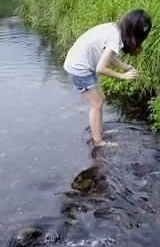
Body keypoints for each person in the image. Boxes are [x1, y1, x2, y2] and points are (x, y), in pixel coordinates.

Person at [64, 9, 152, 147]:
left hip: (81, 61)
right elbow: (101, 68)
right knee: (96, 104)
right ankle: (98, 142)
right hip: (79, 67)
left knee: (100, 100)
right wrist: (123, 76)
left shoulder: (116, 29)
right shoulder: (116, 39)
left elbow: (108, 56)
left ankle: (97, 131)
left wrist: (125, 66)